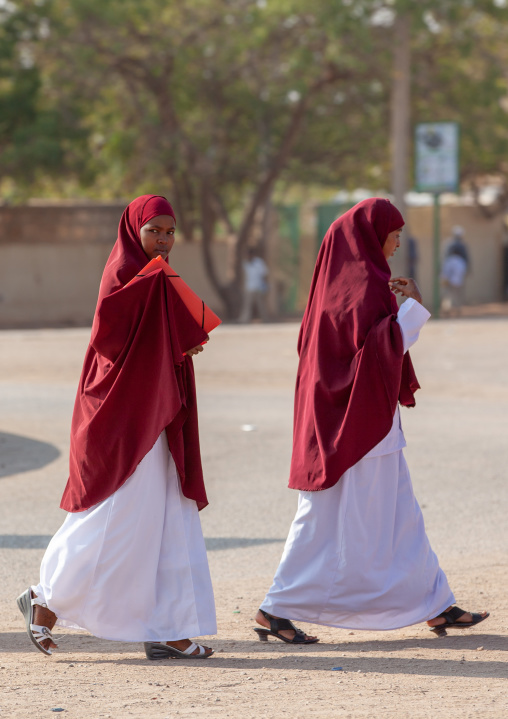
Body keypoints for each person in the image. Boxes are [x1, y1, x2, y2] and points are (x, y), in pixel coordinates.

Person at [253, 198, 488, 644]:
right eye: (394, 235)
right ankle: (275, 607)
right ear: (371, 235)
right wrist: (414, 307)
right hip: (354, 423)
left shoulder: (340, 283)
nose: (397, 243)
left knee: (400, 514)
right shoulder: (365, 284)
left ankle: (438, 605)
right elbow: (381, 345)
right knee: (322, 515)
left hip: (360, 418)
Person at [17, 195, 217, 660]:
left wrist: (182, 346)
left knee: (166, 515)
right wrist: (171, 343)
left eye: (170, 232)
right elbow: (112, 344)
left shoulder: (160, 279)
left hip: (157, 412)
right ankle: (46, 598)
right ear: (134, 231)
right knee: (117, 514)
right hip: (124, 416)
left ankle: (168, 626)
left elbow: (170, 338)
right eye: (155, 231)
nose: (164, 241)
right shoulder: (125, 277)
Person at [441, 226, 470, 316]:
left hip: (448, 263)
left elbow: (444, 256)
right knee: (457, 289)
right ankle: (457, 308)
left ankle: (447, 307)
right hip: (458, 264)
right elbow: (466, 257)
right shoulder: (462, 244)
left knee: (448, 288)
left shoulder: (448, 243)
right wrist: (468, 269)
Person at [239, 247, 269, 323]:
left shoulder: (259, 262)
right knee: (247, 305)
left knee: (261, 305)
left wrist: (265, 285)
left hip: (258, 287)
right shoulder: (245, 263)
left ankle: (265, 319)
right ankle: (244, 320)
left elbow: (264, 274)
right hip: (248, 287)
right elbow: (243, 276)